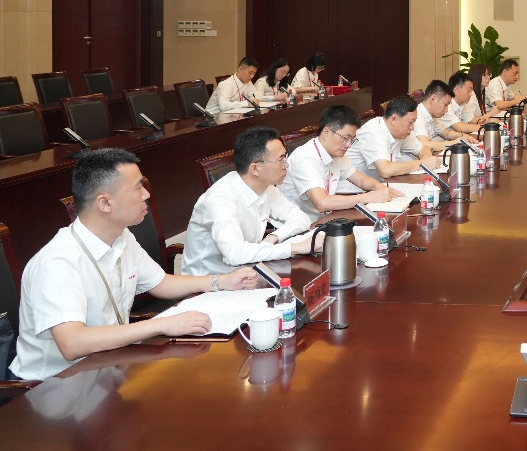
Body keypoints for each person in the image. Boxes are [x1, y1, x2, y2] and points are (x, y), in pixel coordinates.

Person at [9, 149, 259, 381]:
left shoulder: (121, 236)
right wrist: (162, 324)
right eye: (138, 188)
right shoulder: (57, 263)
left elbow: (161, 283)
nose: (146, 194)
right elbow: (72, 343)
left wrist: (220, 281)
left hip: (107, 365)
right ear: (105, 203)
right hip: (53, 386)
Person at [182, 127, 313, 276]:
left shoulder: (266, 187)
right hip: (209, 281)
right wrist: (294, 247)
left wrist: (274, 237)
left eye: (285, 157)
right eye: (280, 160)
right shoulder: (219, 200)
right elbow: (234, 254)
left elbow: (301, 218)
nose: (286, 165)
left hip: (247, 270)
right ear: (255, 169)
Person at [278, 104, 404, 219]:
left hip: (323, 219)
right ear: (326, 132)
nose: (348, 145)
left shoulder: (336, 154)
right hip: (298, 226)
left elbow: (362, 180)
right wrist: (369, 197)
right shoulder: (305, 158)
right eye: (346, 138)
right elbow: (322, 203)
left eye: (352, 140)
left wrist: (378, 187)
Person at [346, 95, 438, 181]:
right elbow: (385, 171)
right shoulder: (375, 132)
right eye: (410, 122)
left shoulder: (400, 132)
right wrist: (423, 164)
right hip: (355, 190)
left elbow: (423, 149)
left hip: (379, 186)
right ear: (394, 119)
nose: (412, 127)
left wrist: (426, 160)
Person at [414, 80, 480, 150]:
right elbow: (425, 145)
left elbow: (447, 134)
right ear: (433, 99)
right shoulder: (417, 116)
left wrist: (463, 136)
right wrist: (454, 143)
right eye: (445, 105)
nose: (446, 110)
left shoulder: (431, 116)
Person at [440, 70, 489, 135]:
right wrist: (486, 127)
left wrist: (480, 121)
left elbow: (471, 119)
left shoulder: (462, 104)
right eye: (469, 90)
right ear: (456, 90)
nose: (471, 94)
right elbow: (460, 128)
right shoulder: (446, 105)